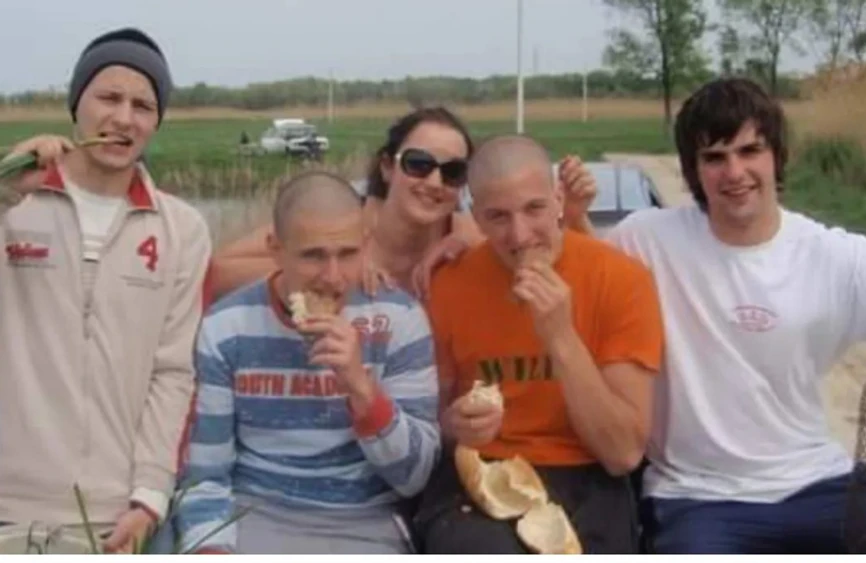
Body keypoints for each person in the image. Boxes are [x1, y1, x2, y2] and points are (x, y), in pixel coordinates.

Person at [605, 77, 866, 554]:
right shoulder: (646, 240)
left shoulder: (836, 257)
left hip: (820, 483)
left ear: (776, 155)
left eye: (750, 151)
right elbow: (575, 275)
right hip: (697, 497)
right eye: (714, 157)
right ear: (693, 170)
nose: (734, 172)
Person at [0, 28, 211, 552]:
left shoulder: (181, 229)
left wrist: (149, 496)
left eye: (143, 105)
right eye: (108, 97)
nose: (123, 118)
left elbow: (172, 371)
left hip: (110, 517)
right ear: (77, 104)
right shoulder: (17, 204)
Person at [414, 134, 664, 553]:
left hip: (588, 472)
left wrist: (560, 337)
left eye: (534, 209)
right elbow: (432, 423)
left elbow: (622, 454)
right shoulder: (450, 285)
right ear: (475, 219)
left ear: (559, 200)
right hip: (483, 471)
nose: (520, 235)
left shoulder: (622, 281)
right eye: (498, 217)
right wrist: (453, 426)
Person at [174, 170, 441, 554]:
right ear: (276, 249)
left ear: (366, 245)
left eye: (348, 254)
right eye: (313, 256)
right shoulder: (226, 327)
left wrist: (362, 390)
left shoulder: (399, 320)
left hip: (366, 521)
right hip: (253, 514)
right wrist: (212, 550)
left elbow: (414, 478)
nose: (332, 278)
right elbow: (205, 476)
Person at [208, 106, 598, 302]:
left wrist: (575, 216)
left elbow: (580, 273)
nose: (433, 183)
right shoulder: (339, 220)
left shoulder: (467, 233)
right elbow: (218, 272)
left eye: (452, 172)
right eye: (418, 164)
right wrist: (336, 269)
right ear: (387, 167)